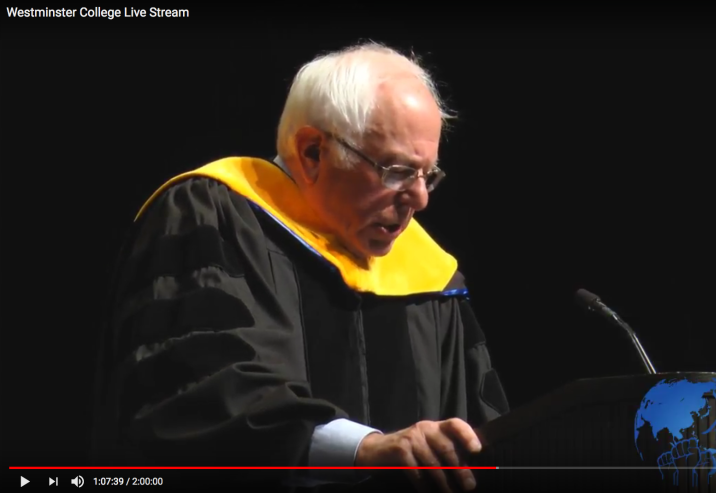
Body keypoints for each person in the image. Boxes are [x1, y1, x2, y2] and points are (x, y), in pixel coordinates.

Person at [89, 42, 510, 492]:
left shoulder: (432, 278)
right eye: (396, 171)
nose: (421, 199)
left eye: (428, 175)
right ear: (312, 152)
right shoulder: (212, 215)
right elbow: (196, 390)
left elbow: (484, 438)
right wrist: (362, 450)